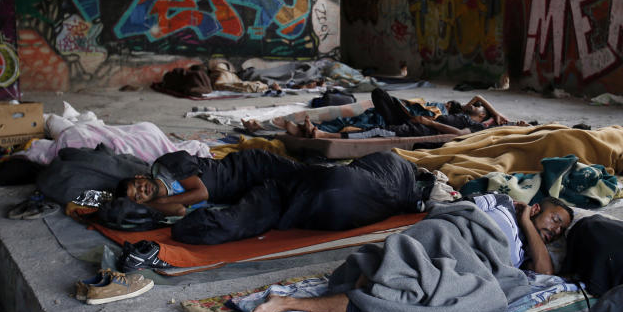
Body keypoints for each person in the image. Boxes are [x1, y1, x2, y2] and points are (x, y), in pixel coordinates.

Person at [246, 194, 573, 312]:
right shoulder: (501, 202)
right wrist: (519, 215)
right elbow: (452, 209)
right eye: (555, 219)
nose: (556, 231)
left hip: (471, 260)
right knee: (398, 270)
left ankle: (289, 303)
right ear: (536, 206)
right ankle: (375, 281)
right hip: (448, 233)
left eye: (561, 231)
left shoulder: (528, 250)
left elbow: (545, 272)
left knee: (419, 290)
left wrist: (530, 227)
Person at [117, 148, 423, 245]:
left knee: (306, 177)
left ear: (143, 176)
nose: (143, 191)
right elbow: (182, 212)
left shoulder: (169, 165)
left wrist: (152, 202)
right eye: (140, 196)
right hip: (254, 189)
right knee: (302, 187)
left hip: (253, 168)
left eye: (140, 187)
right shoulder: (168, 198)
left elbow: (200, 192)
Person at [273, 88, 525, 139]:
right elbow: (479, 97)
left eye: (477, 109)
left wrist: (426, 120)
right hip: (415, 116)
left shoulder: (476, 125)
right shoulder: (466, 111)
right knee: (374, 105)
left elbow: (459, 134)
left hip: (418, 123)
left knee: (375, 128)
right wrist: (491, 108)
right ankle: (309, 130)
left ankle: (314, 133)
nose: (474, 105)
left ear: (481, 117)